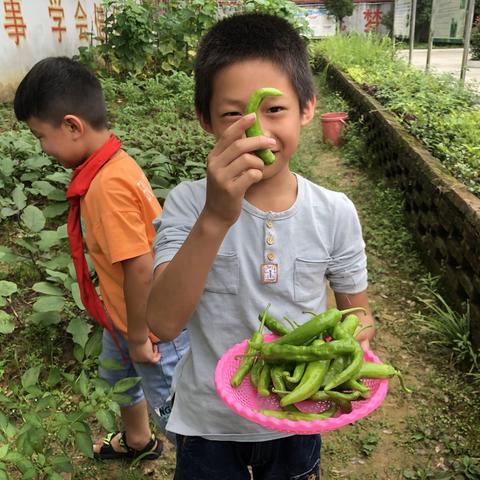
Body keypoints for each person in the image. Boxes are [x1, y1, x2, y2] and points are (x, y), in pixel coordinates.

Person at [146, 12, 375, 480]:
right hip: (207, 423)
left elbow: (358, 314)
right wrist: (215, 217)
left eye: (274, 109)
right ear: (204, 120)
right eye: (234, 114)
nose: (256, 131)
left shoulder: (334, 212)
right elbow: (163, 323)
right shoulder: (189, 204)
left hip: (297, 414)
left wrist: (348, 345)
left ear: (307, 108)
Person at [13, 57, 189, 461]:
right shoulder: (115, 164)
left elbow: (140, 267)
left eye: (41, 136)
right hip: (122, 319)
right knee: (117, 377)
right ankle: (138, 441)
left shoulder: (107, 187)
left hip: (150, 328)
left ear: (72, 126)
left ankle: (205, 462)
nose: (41, 148)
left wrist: (141, 337)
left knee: (176, 412)